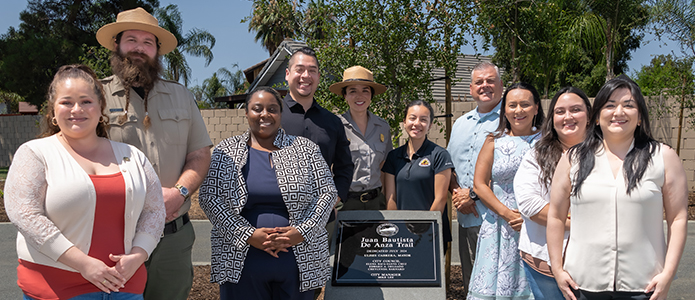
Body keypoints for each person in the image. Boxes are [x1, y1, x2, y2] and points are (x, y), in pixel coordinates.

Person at [4, 64, 165, 300]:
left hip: (125, 286)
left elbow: (154, 210)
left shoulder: (132, 155)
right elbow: (25, 214)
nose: (76, 109)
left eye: (86, 101)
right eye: (66, 102)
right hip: (58, 288)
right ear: (52, 111)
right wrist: (84, 264)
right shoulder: (35, 153)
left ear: (101, 109)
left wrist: (139, 255)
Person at [96, 7, 213, 299]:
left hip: (172, 236)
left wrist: (180, 192)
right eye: (131, 40)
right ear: (117, 45)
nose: (139, 48)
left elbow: (199, 153)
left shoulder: (182, 97)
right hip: (114, 237)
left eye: (148, 43)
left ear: (157, 51)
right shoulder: (94, 96)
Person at [547, 76, 688, 300]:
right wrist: (557, 268)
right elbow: (555, 216)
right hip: (583, 283)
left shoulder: (663, 157)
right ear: (596, 117)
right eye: (610, 105)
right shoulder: (574, 159)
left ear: (640, 117)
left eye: (629, 105)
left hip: (645, 285)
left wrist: (668, 273)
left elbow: (678, 218)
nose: (618, 112)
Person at [198, 87, 338, 299]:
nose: (265, 114)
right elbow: (209, 198)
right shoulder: (225, 150)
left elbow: (327, 193)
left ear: (280, 114)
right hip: (241, 262)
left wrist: (301, 232)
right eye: (257, 109)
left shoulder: (305, 149)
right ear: (246, 113)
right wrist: (247, 235)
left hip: (299, 259)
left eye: (272, 109)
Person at [467, 82, 544, 300]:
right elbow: (480, 184)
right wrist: (508, 214)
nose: (518, 111)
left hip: (537, 226)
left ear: (536, 108)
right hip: (499, 226)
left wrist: (531, 217)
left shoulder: (548, 141)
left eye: (525, 105)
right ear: (505, 109)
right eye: (512, 105)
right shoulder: (494, 140)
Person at [513, 87, 591, 299]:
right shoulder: (537, 154)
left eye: (575, 109)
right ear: (552, 118)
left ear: (589, 115)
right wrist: (583, 223)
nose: (568, 117)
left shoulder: (607, 154)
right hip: (543, 262)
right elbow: (530, 205)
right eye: (560, 111)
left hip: (595, 263)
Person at [447, 61, 504, 292]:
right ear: (471, 88)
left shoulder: (510, 121)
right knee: (473, 284)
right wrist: (458, 194)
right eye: (479, 82)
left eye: (490, 80)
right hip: (467, 218)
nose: (485, 86)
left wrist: (473, 195)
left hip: (500, 219)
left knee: (500, 284)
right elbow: (449, 166)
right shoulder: (460, 124)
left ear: (501, 86)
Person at [281, 47, 353, 207]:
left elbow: (345, 166)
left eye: (312, 71)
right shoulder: (271, 117)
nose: (306, 76)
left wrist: (337, 197)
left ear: (319, 77)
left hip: (321, 217)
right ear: (287, 74)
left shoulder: (333, 122)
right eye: (299, 70)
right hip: (277, 215)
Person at [382, 100, 454, 243]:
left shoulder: (439, 155)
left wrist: (425, 228)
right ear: (404, 121)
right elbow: (390, 198)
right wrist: (397, 228)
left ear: (430, 124)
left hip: (431, 233)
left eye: (423, 120)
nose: (417, 124)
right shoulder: (393, 156)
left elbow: (440, 199)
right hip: (401, 234)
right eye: (412, 118)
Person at [329, 65, 392, 210]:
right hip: (345, 203)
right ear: (344, 95)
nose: (360, 96)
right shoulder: (334, 126)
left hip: (376, 204)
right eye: (353, 91)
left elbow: (383, 166)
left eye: (365, 90)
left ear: (371, 95)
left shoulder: (383, 127)